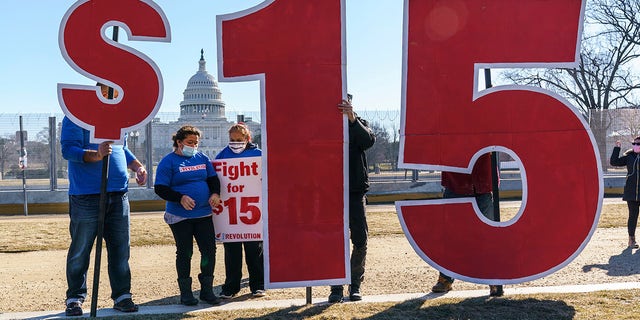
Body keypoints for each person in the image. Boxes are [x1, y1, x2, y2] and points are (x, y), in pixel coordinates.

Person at [61, 83, 147, 316]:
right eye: (113, 91)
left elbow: (122, 148)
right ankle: (74, 298)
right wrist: (96, 155)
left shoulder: (118, 117)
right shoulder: (75, 116)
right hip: (86, 195)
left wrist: (137, 166)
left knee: (120, 249)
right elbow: (68, 150)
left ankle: (122, 295)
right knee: (81, 249)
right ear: (101, 91)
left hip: (119, 193)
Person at [154, 125, 222, 306]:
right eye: (189, 142)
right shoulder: (168, 162)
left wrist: (215, 193)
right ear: (179, 142)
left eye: (196, 143)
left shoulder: (202, 158)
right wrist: (180, 198)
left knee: (209, 250)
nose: (193, 146)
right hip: (179, 216)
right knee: (185, 252)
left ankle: (207, 290)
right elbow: (160, 188)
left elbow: (212, 179)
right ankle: (186, 293)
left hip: (203, 214)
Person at [430, 153, 504, 297]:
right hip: (456, 182)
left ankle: (494, 278)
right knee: (450, 236)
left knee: (490, 236)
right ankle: (445, 278)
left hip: (482, 183)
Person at [328, 95, 376, 303]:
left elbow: (367, 141)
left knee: (360, 239)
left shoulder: (358, 123)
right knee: (334, 240)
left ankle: (355, 285)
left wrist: (351, 119)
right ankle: (336, 286)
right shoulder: (324, 124)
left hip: (355, 191)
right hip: (330, 191)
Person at [215, 123, 266, 299]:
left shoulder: (259, 155)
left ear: (247, 139)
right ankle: (230, 287)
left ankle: (258, 285)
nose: (235, 143)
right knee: (232, 254)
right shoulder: (222, 155)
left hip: (252, 212)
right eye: (232, 140)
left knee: (254, 252)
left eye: (239, 140)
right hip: (231, 214)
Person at [610, 138, 640, 249]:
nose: (636, 145)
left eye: (638, 144)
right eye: (634, 144)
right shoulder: (629, 157)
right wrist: (617, 148)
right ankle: (631, 239)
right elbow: (614, 162)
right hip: (631, 193)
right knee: (633, 216)